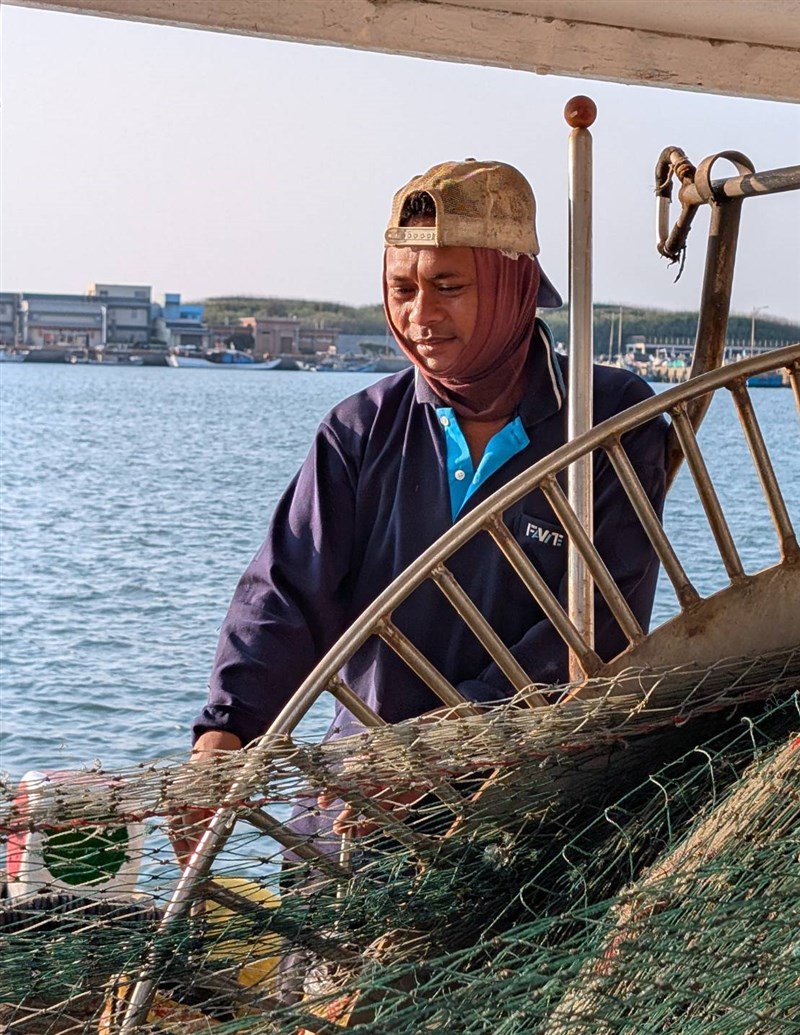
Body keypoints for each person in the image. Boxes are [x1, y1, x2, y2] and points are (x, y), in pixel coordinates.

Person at [178, 159, 667, 857]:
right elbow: (285, 592)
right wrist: (225, 731)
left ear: (513, 284)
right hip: (351, 808)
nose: (420, 315)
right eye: (401, 288)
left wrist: (443, 750)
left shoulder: (610, 418)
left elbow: (598, 624)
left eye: (448, 286)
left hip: (527, 813)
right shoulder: (357, 430)